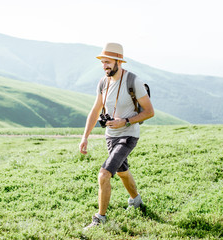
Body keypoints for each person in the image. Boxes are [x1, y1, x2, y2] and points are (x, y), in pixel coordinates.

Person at [79, 43, 154, 229]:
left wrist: (126, 121)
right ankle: (136, 200)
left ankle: (100, 219)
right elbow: (96, 110)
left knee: (104, 174)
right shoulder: (103, 83)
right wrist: (85, 137)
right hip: (110, 136)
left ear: (118, 61)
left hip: (128, 135)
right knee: (122, 171)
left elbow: (150, 111)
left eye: (108, 62)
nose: (104, 66)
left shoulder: (133, 81)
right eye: (102, 62)